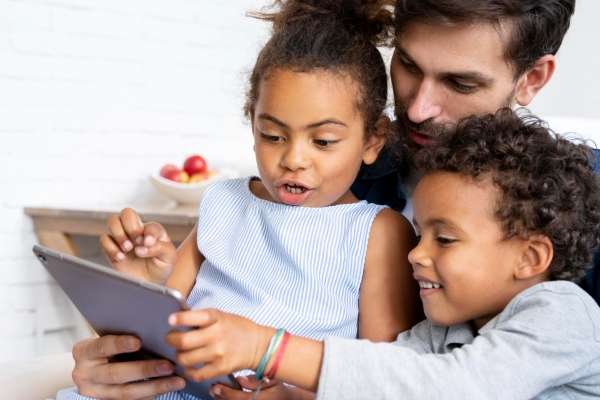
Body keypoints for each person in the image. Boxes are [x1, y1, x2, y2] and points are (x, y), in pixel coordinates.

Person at [60, 1, 421, 399]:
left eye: (323, 141)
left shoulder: (378, 233)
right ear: (253, 122)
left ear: (372, 140)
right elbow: (157, 335)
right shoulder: (224, 201)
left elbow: (378, 379)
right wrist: (140, 282)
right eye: (273, 135)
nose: (293, 160)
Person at [167, 109, 600, 399]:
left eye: (444, 240)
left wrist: (271, 348)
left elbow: (454, 387)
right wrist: (292, 396)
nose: (416, 255)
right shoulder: (440, 331)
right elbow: (381, 380)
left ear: (529, 259)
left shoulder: (562, 313)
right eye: (419, 235)